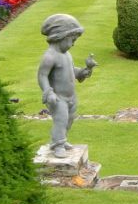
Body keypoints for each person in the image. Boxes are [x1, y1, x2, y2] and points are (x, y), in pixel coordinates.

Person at [37, 13, 96, 150]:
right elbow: (42, 75)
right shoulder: (50, 56)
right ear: (60, 37)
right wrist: (48, 92)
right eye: (72, 40)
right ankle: (57, 145)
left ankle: (61, 140)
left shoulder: (66, 55)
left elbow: (71, 71)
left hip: (71, 96)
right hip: (58, 98)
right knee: (61, 120)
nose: (73, 44)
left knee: (70, 119)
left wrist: (86, 69)